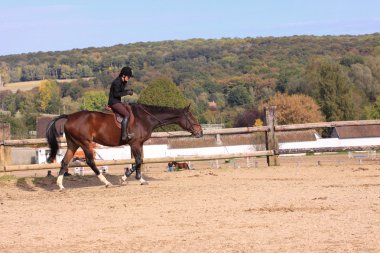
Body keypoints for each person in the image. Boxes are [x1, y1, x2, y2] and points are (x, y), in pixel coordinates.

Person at [108, 66, 134, 140]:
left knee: (129, 109)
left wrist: (128, 90)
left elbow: (121, 91)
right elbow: (116, 94)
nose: (129, 78)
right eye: (128, 77)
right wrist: (127, 92)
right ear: (123, 75)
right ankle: (124, 135)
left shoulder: (122, 82)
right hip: (114, 102)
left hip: (117, 101)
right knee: (127, 114)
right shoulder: (117, 82)